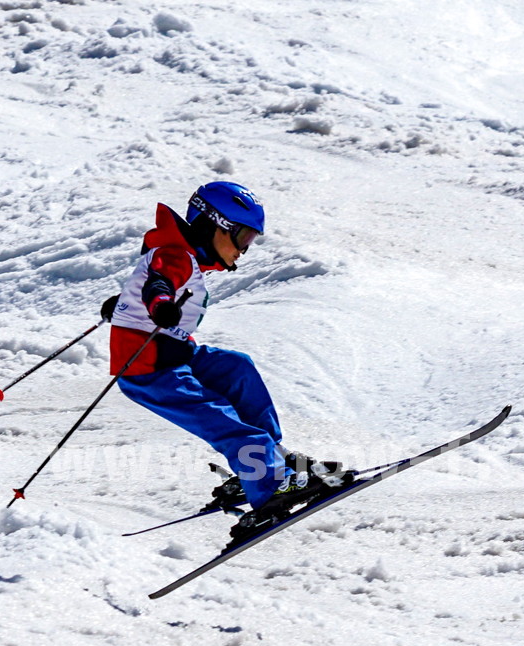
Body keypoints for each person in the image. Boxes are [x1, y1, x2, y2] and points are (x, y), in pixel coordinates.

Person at [102, 181, 346, 528]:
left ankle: (272, 461)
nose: (244, 250)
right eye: (243, 237)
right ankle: (269, 484)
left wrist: (126, 303)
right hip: (149, 369)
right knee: (222, 417)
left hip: (177, 356)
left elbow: (151, 279)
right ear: (214, 224)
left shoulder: (186, 255)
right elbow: (159, 282)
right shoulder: (174, 256)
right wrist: (158, 305)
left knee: (237, 369)